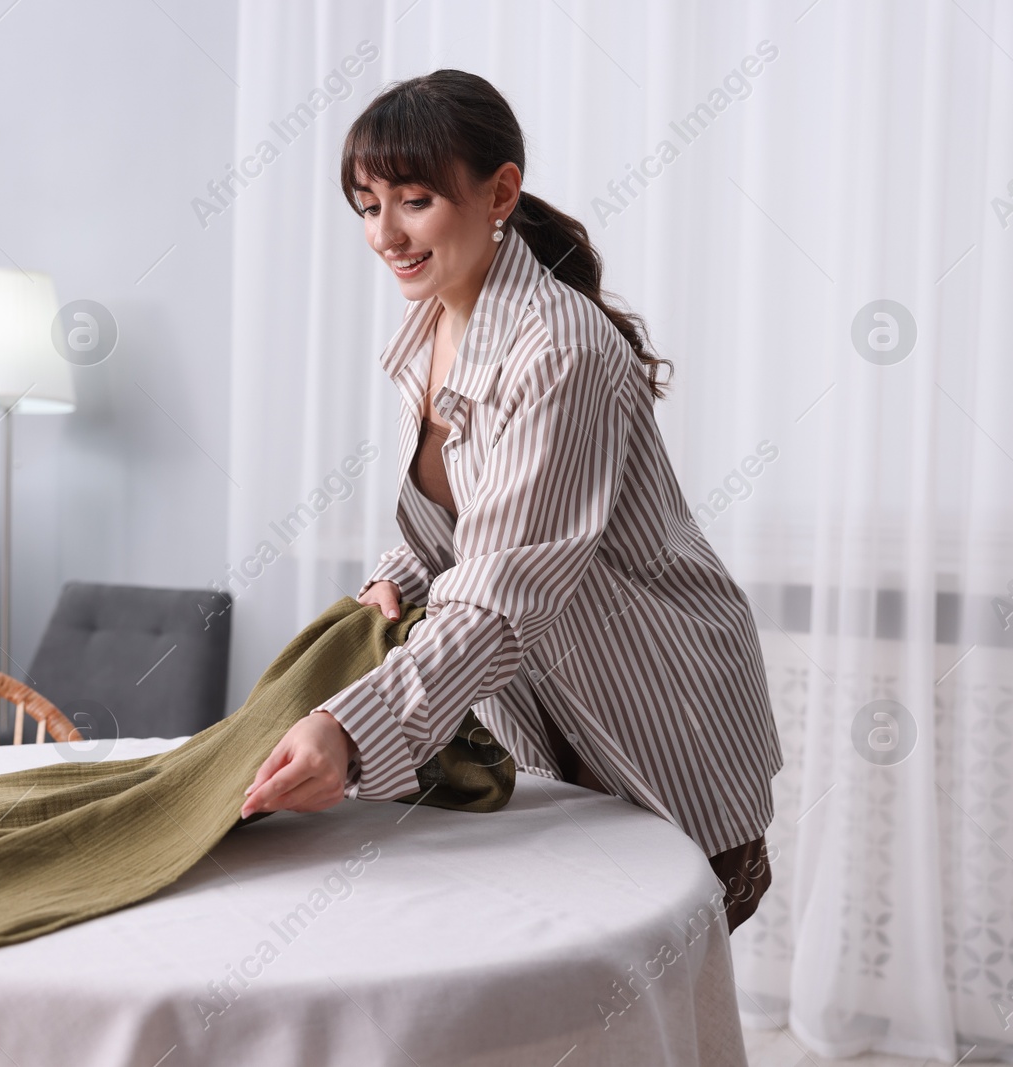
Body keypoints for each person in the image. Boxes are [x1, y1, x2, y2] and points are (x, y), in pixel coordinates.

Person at [239, 69, 782, 931]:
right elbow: (459, 525)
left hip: (657, 710)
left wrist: (349, 732)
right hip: (544, 711)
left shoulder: (558, 351)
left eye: (414, 199)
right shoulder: (429, 333)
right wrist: (399, 581)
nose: (386, 233)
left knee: (637, 1005)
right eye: (367, 204)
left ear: (500, 192)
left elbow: (499, 596)